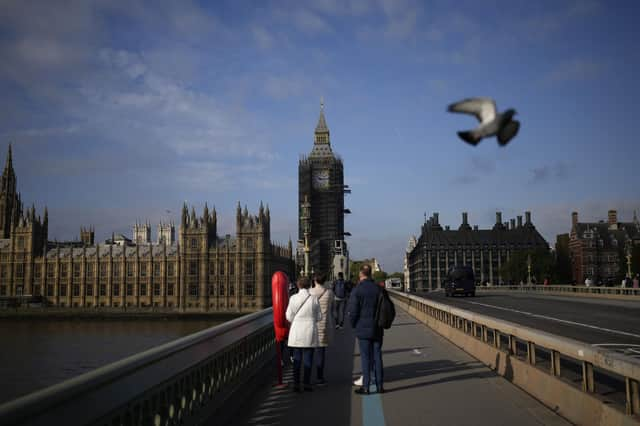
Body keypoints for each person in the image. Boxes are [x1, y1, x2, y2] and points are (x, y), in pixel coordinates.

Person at [348, 264, 384, 395]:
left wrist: (353, 324)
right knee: (377, 356)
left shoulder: (357, 290)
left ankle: (366, 387)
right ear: (370, 274)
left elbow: (353, 311)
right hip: (377, 327)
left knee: (365, 358)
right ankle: (380, 386)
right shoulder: (378, 289)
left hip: (363, 327)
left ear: (360, 274)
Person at [286, 276, 322, 392]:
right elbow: (319, 317)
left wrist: (296, 320)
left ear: (298, 285)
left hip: (297, 331)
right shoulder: (314, 299)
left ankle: (296, 384)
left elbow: (288, 316)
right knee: (308, 358)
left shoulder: (293, 298)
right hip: (309, 330)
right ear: (309, 285)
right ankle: (306, 383)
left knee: (297, 359)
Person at [310, 272, 334, 385]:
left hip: (311, 324)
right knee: (320, 352)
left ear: (314, 280)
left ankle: (307, 377)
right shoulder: (329, 293)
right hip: (323, 324)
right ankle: (320, 378)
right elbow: (331, 306)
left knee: (309, 351)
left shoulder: (310, 292)